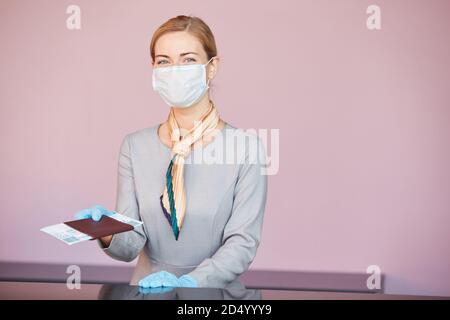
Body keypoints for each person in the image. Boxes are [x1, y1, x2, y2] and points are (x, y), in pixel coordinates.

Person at [74, 15, 268, 289]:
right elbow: (130, 246)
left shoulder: (246, 148)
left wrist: (191, 283)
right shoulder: (134, 146)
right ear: (153, 69)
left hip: (214, 297)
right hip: (145, 292)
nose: (174, 70)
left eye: (188, 59)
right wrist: (105, 232)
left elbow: (243, 243)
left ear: (212, 67)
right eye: (164, 61)